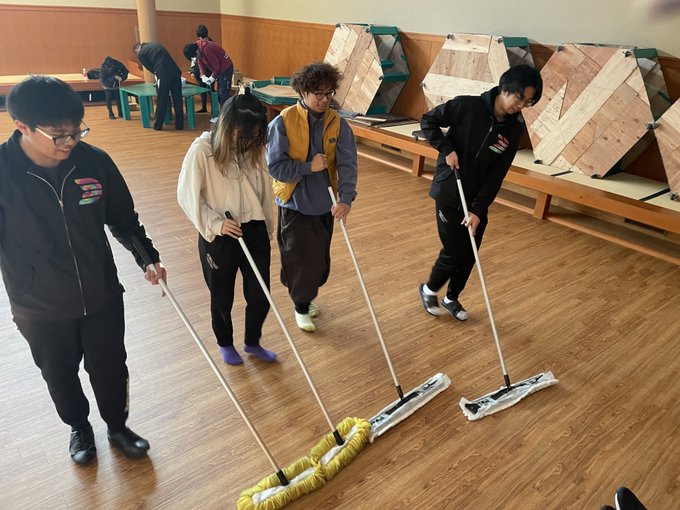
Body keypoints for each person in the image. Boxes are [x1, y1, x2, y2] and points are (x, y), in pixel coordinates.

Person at [0, 76, 167, 465]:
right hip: (38, 304)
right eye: (58, 135)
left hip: (101, 292)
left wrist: (148, 257)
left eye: (76, 132)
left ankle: (117, 426)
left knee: (110, 368)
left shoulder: (94, 162)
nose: (70, 142)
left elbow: (124, 219)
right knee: (59, 374)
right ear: (22, 126)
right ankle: (79, 426)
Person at [418, 64, 542, 320]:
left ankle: (451, 297)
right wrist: (446, 149)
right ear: (505, 87)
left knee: (470, 250)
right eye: (519, 97)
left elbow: (497, 174)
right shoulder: (467, 106)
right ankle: (429, 289)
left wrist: (478, 209)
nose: (520, 105)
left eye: (528, 102)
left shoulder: (513, 129)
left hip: (476, 198)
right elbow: (428, 120)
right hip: (450, 190)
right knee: (454, 250)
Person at [177, 88, 277, 366]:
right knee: (222, 297)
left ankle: (253, 341)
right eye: (245, 134)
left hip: (254, 230)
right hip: (220, 237)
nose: (250, 140)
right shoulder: (203, 151)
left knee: (260, 294)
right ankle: (225, 342)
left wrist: (267, 228)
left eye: (256, 134)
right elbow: (187, 197)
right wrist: (217, 224)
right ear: (229, 127)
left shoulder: (254, 147)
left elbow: (264, 193)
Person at [266, 62, 358, 333]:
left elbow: (348, 164)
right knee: (298, 258)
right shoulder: (282, 122)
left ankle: (304, 297)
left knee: (318, 260)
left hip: (324, 204)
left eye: (329, 93)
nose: (324, 99)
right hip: (294, 202)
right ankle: (301, 306)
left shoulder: (337, 123)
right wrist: (308, 167)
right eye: (318, 93)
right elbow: (275, 168)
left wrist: (346, 199)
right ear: (302, 93)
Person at [132, 41, 184, 131]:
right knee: (177, 99)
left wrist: (157, 75)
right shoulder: (154, 45)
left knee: (162, 99)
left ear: (137, 50)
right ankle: (179, 125)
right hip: (176, 72)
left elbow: (150, 67)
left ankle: (158, 125)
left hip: (164, 74)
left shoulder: (141, 53)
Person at [182, 39, 234, 108]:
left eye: (195, 56)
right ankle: (223, 113)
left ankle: (227, 115)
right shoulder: (197, 48)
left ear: (196, 51)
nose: (196, 57)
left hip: (225, 68)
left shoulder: (207, 49)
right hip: (220, 70)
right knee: (219, 94)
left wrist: (212, 77)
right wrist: (202, 75)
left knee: (223, 95)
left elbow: (216, 66)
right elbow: (200, 62)